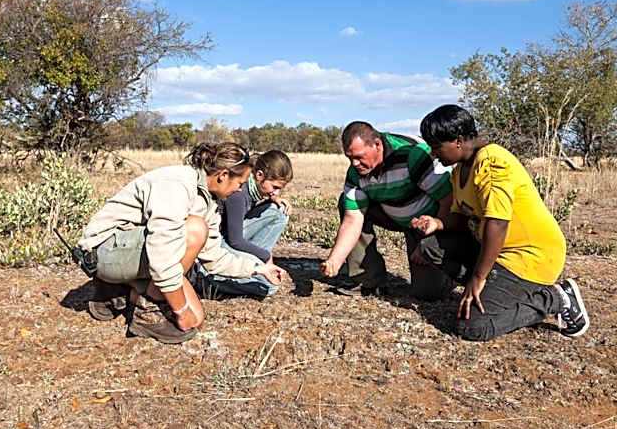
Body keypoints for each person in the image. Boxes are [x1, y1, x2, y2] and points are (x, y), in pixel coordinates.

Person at [76, 143, 287, 344]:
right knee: (195, 230)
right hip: (103, 251)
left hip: (129, 252)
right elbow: (162, 255)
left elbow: (213, 257)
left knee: (196, 319)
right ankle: (147, 313)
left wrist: (258, 269)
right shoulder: (178, 184)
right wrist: (180, 310)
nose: (240, 190)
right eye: (240, 184)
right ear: (223, 176)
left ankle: (116, 292)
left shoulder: (209, 200)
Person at [412, 104, 590, 341]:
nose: (434, 154)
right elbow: (462, 217)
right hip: (496, 251)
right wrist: (437, 223)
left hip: (529, 255)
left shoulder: (492, 163)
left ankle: (556, 297)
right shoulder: (459, 170)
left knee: (473, 327)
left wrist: (478, 277)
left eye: (437, 147)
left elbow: (498, 223)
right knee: (431, 247)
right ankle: (496, 288)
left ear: (458, 141)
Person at [318, 121, 468, 298]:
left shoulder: (412, 154)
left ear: (377, 144)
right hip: (390, 212)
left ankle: (448, 274)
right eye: (349, 158)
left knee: (428, 293)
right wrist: (335, 260)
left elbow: (448, 200)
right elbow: (353, 219)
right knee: (347, 202)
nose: (354, 163)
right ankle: (368, 279)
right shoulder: (355, 172)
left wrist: (429, 242)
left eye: (359, 157)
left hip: (427, 221)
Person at [193, 150, 293, 299]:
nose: (276, 193)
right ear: (259, 175)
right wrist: (266, 256)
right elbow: (235, 240)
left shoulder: (252, 187)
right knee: (268, 285)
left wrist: (272, 199)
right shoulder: (239, 194)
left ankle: (256, 264)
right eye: (275, 187)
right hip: (221, 241)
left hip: (231, 235)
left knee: (279, 212)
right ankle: (206, 279)